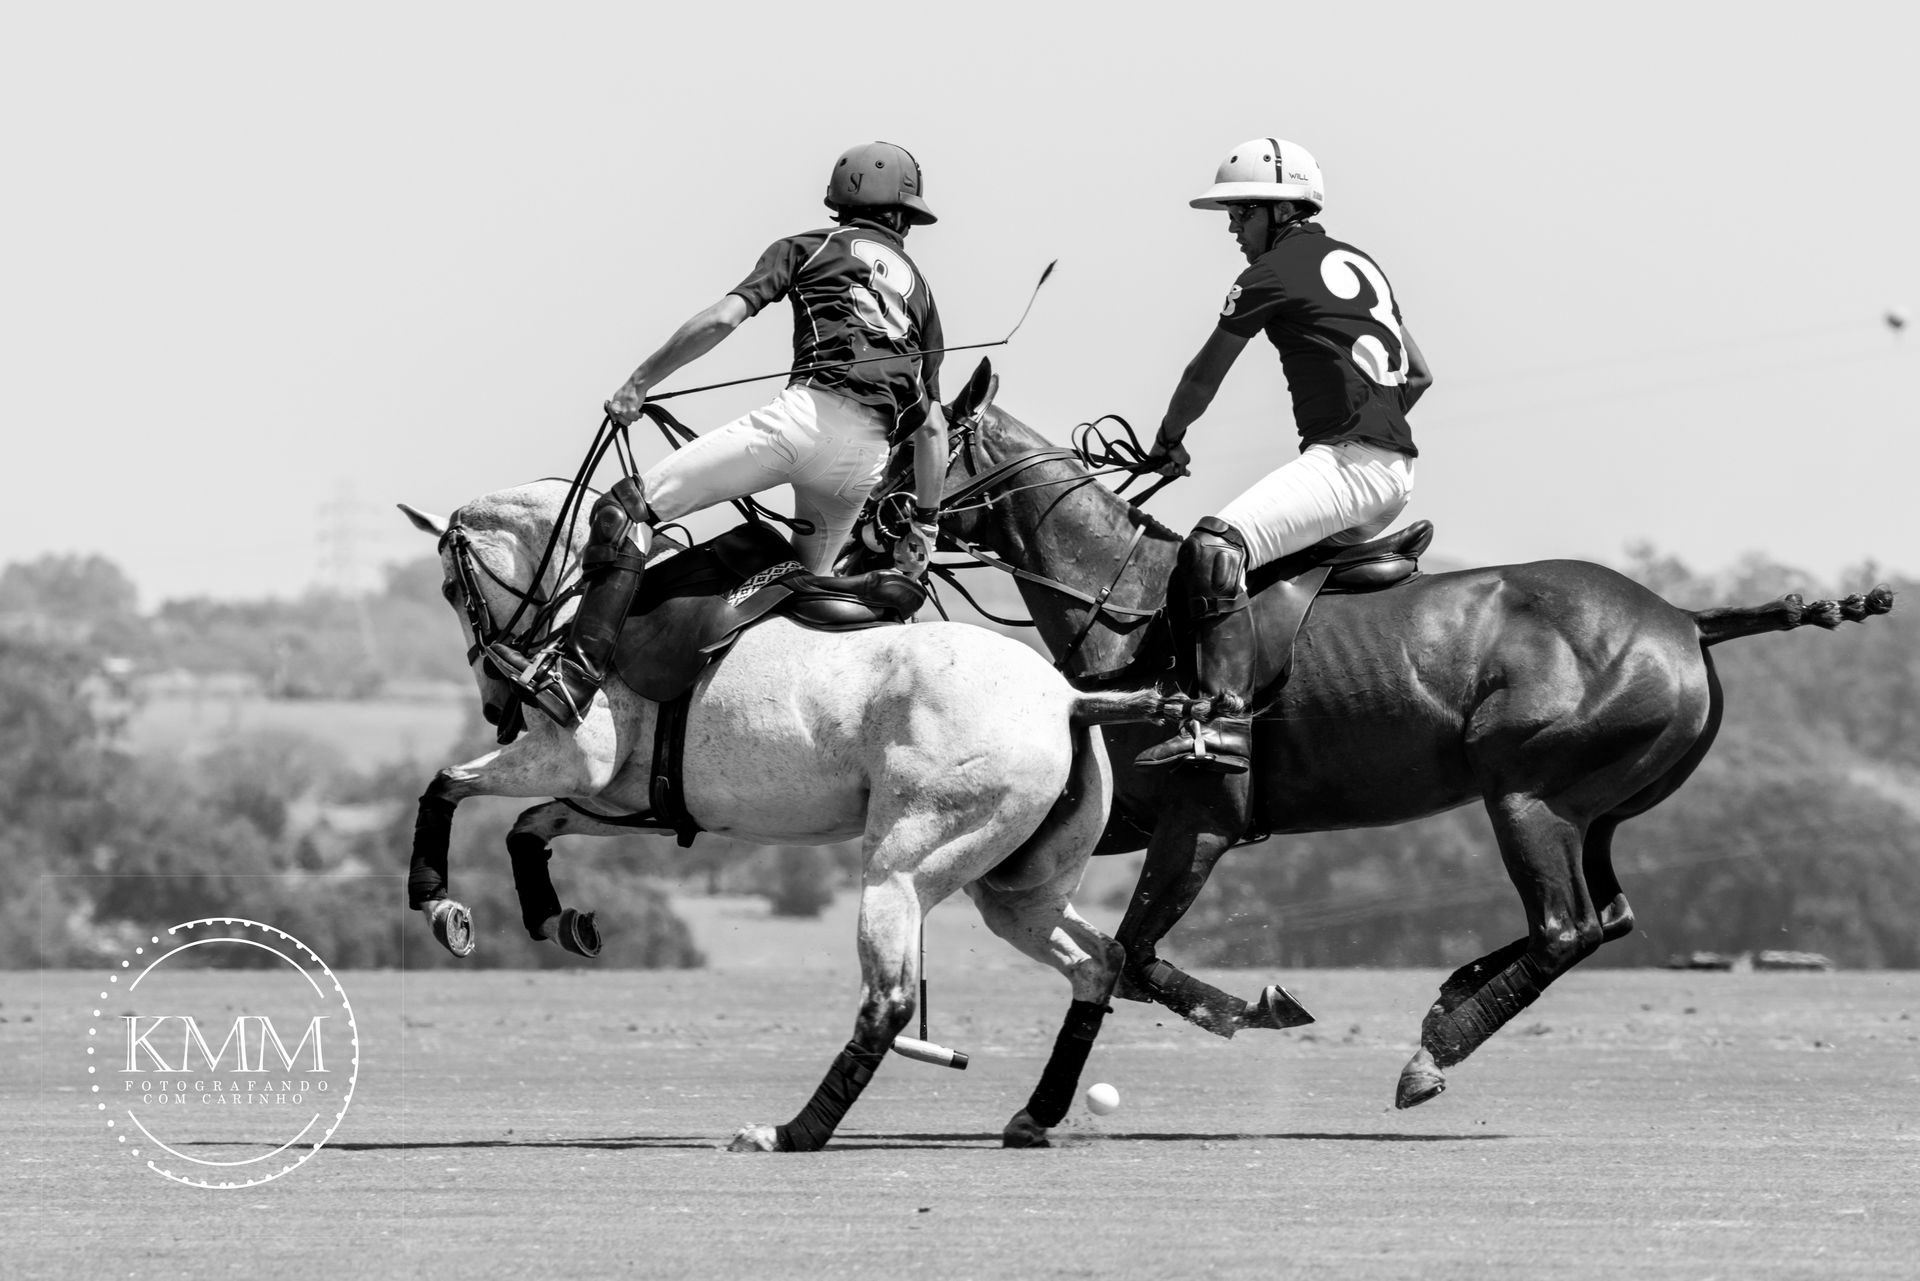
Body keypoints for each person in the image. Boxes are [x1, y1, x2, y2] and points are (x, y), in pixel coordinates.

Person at [506, 141, 949, 729]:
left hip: (803, 422)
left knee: (625, 511)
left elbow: (721, 319)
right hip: (864, 458)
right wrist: (925, 525)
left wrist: (639, 383)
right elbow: (933, 427)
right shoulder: (922, 296)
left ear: (842, 202)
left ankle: (574, 675)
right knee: (802, 589)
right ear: (900, 217)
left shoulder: (808, 247)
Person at [1139, 137, 1432, 773]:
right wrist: (1370, 423)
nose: (1233, 229)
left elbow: (1203, 375)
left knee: (1214, 548)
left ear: (1281, 210)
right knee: (1258, 574)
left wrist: (1168, 440)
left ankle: (1223, 723)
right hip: (1390, 468)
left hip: (1351, 466)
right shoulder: (1362, 263)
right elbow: (1418, 375)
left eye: (1240, 213)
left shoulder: (1269, 273)